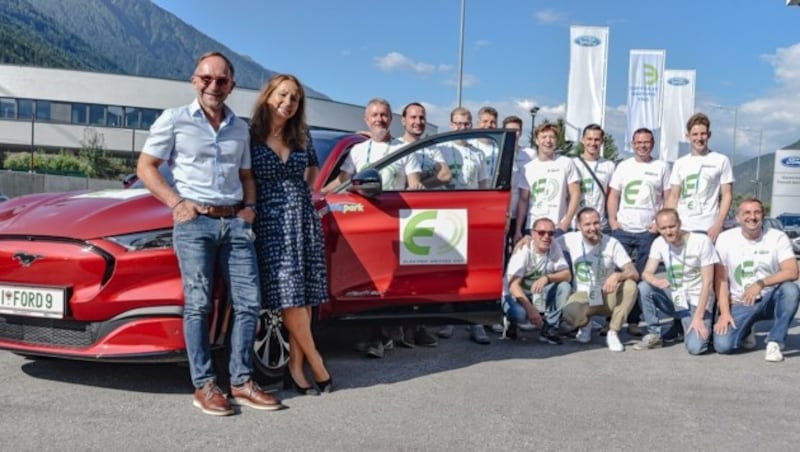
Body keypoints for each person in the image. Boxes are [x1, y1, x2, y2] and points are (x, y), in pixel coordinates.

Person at [136, 51, 283, 415]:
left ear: (232, 85)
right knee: (199, 305)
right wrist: (175, 203)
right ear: (194, 80)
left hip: (235, 223)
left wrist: (249, 210)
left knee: (249, 303)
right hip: (195, 223)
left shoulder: (240, 128)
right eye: (206, 78)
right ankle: (203, 385)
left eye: (221, 80)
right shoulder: (174, 120)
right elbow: (146, 166)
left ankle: (241, 381)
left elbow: (247, 176)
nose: (213, 86)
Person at [249, 74, 332, 395]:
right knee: (288, 296)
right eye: (282, 95)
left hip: (302, 218)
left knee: (304, 296)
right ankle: (318, 363)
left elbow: (312, 169)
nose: (288, 102)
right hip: (269, 221)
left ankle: (295, 369)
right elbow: (245, 177)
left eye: (295, 98)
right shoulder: (250, 135)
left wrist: (306, 193)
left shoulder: (302, 134)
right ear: (268, 96)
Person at [713, 198, 800, 362]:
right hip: (740, 302)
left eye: (757, 212)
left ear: (763, 216)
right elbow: (721, 281)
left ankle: (775, 341)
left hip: (769, 298)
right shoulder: (725, 239)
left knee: (790, 290)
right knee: (723, 346)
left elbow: (792, 271)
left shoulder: (777, 237)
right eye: (746, 213)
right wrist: (724, 313)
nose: (752, 217)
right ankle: (746, 329)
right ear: (737, 218)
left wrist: (760, 283)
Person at [433, 107, 492, 344]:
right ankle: (450, 320)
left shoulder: (478, 154)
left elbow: (485, 186)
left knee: (475, 271)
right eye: (457, 123)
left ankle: (476, 323)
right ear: (450, 124)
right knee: (450, 272)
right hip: (447, 217)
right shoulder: (441, 150)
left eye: (466, 124)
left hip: (472, 218)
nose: (461, 128)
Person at [608, 127, 671, 336]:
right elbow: (614, 195)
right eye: (639, 142)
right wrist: (613, 220)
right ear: (632, 144)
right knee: (617, 275)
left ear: (652, 144)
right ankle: (613, 318)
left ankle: (634, 320)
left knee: (642, 278)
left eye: (647, 142)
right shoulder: (623, 167)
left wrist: (658, 225)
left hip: (647, 232)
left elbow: (669, 197)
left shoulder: (661, 167)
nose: (643, 146)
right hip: (623, 230)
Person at [633, 209, 717, 354]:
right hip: (677, 299)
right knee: (644, 287)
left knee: (695, 348)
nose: (668, 232)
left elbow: (708, 283)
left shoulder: (701, 241)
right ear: (658, 229)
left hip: (698, 302)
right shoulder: (659, 243)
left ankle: (698, 328)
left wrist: (698, 317)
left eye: (672, 226)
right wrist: (656, 281)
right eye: (663, 228)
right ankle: (655, 334)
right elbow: (646, 273)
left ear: (679, 224)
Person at [560, 207, 639, 352]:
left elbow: (633, 272)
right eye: (587, 224)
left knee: (630, 286)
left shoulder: (612, 243)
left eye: (596, 223)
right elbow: (544, 243)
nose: (593, 228)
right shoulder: (569, 239)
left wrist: (618, 275)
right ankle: (585, 323)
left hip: (606, 294)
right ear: (579, 226)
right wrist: (527, 239)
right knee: (568, 316)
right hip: (582, 295)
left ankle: (613, 331)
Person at [323, 98, 422, 193]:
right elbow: (340, 182)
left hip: (392, 207)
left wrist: (416, 188)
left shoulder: (404, 149)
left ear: (390, 119)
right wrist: (319, 193)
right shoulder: (357, 150)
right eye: (374, 115)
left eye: (384, 115)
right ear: (367, 120)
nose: (379, 119)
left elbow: (414, 184)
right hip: (363, 207)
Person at [665, 112, 734, 242]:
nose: (699, 138)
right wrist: (671, 225)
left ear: (709, 135)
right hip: (684, 227)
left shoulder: (721, 160)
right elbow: (673, 196)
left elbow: (727, 195)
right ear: (688, 136)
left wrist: (718, 224)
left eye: (703, 134)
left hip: (709, 228)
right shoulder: (680, 163)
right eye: (695, 134)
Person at [503, 218, 572, 344]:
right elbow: (513, 286)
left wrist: (547, 278)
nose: (546, 237)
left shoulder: (553, 245)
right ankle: (511, 322)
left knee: (564, 287)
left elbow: (567, 275)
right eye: (541, 233)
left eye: (550, 233)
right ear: (533, 234)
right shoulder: (523, 250)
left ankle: (549, 328)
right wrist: (531, 310)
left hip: (537, 294)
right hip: (516, 295)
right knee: (519, 314)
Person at [515, 123, 581, 243]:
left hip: (558, 227)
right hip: (533, 226)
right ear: (536, 140)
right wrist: (518, 229)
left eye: (552, 137)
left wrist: (565, 222)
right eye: (544, 137)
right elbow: (523, 200)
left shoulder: (566, 163)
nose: (548, 141)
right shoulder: (527, 168)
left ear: (556, 141)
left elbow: (575, 194)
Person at [571, 124, 615, 230]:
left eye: (596, 139)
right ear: (583, 140)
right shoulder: (572, 163)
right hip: (575, 225)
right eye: (589, 139)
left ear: (602, 141)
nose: (593, 143)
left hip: (600, 225)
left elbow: (611, 195)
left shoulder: (609, 165)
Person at [472, 106, 500, 174]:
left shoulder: (501, 148)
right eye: (485, 121)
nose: (489, 125)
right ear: (478, 124)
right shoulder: (470, 146)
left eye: (493, 122)